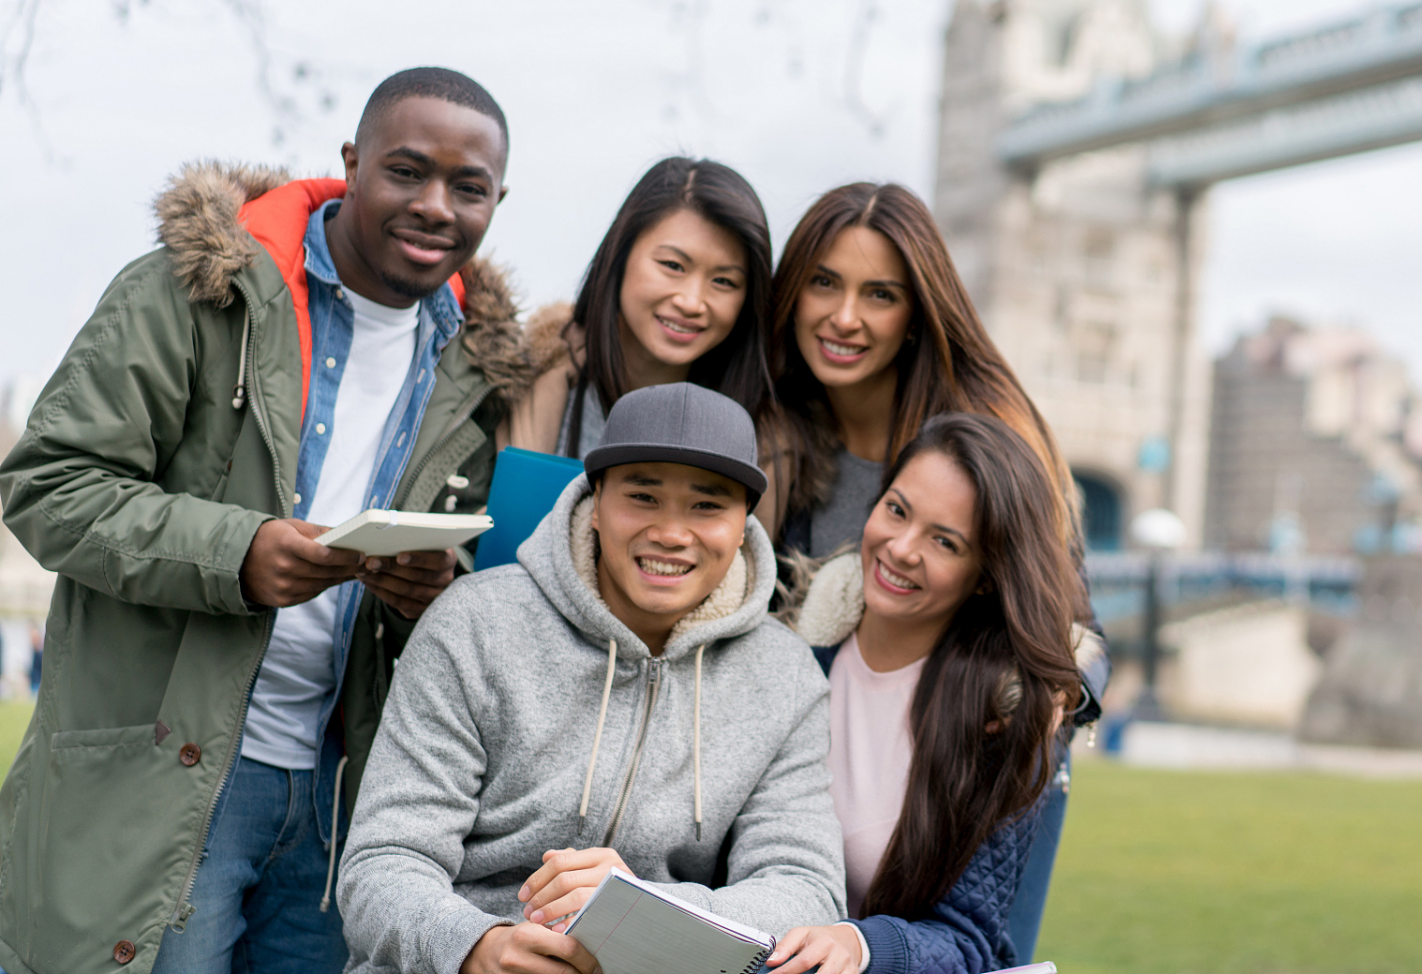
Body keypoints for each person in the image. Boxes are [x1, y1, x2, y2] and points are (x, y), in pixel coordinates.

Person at [0, 67, 528, 973]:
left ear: (497, 199)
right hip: (176, 776)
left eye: (468, 187)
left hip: (342, 805)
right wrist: (235, 553)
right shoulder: (196, 292)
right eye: (407, 171)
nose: (437, 205)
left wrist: (422, 593)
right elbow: (49, 485)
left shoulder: (475, 370)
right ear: (352, 164)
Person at [337, 383, 845, 974]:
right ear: (595, 501)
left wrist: (645, 913)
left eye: (708, 505)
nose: (672, 533)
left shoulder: (783, 676)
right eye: (643, 496)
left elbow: (806, 889)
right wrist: (476, 947)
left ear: (743, 526)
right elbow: (383, 860)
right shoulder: (474, 623)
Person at [759, 181, 1103, 957]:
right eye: (823, 282)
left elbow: (1071, 616)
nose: (844, 317)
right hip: (841, 711)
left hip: (964, 729)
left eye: (878, 294)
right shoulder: (780, 422)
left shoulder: (985, 433)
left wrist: (1037, 699)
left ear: (916, 310)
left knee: (962, 942)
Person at [771, 413, 1094, 974]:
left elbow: (968, 938)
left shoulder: (1003, 717)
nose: (901, 548)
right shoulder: (787, 659)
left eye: (944, 541)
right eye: (896, 510)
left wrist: (860, 945)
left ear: (986, 575)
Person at [505, 156, 774, 458]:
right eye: (672, 265)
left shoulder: (768, 437)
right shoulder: (512, 379)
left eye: (724, 281)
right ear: (620, 255)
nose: (691, 302)